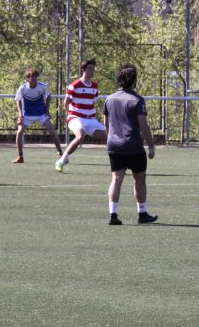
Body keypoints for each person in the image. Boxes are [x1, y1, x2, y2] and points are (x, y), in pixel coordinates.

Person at [103, 64, 157, 225]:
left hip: (114, 145)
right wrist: (151, 145)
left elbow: (106, 123)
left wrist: (111, 139)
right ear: (134, 81)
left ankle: (113, 215)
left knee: (116, 179)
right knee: (139, 179)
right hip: (133, 146)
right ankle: (142, 213)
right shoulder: (137, 100)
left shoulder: (109, 98)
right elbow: (143, 125)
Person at [55, 59, 106, 173]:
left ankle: (119, 163)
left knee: (110, 137)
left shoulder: (94, 86)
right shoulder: (74, 85)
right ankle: (61, 161)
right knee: (80, 137)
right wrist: (70, 115)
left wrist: (93, 116)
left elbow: (92, 102)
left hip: (90, 119)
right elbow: (66, 102)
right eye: (89, 69)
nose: (92, 71)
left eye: (93, 69)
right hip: (76, 118)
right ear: (83, 70)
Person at [12, 68, 63, 163]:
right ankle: (20, 156)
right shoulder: (23, 88)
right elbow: (18, 100)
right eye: (32, 77)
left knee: (52, 131)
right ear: (28, 78)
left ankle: (60, 153)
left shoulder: (42, 86)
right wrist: (20, 114)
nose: (35, 78)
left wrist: (47, 110)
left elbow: (48, 96)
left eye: (36, 76)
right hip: (27, 114)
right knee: (19, 133)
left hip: (41, 114)